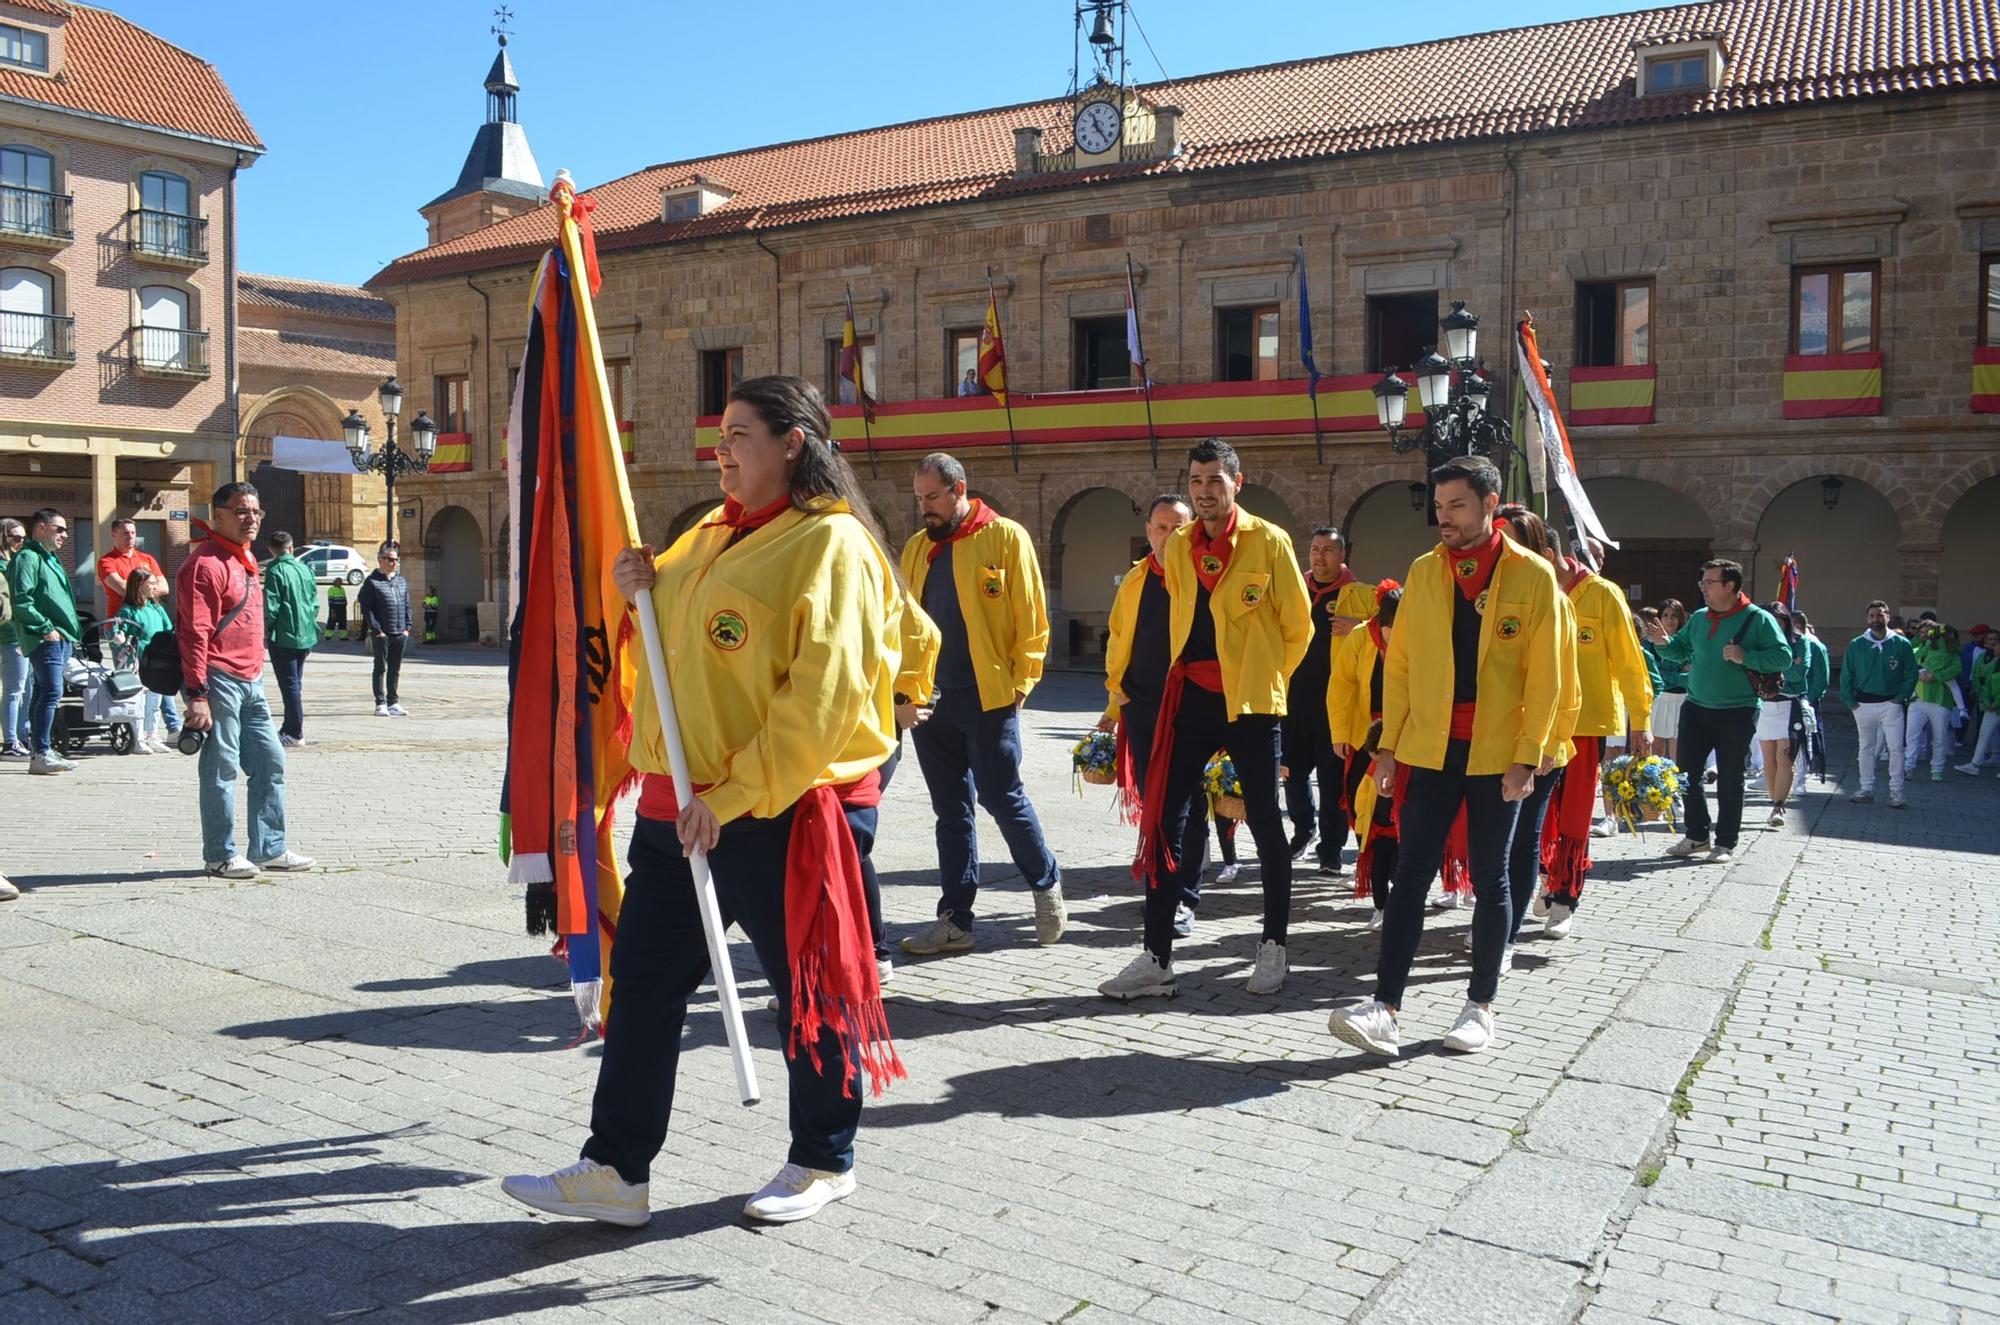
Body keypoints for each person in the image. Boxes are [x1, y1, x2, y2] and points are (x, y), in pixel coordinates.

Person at [500, 375, 904, 1229]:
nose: (720, 451)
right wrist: (633, 576)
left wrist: (737, 793)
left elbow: (823, 699)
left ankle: (824, 1155)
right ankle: (616, 1167)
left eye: (739, 435)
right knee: (643, 982)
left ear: (793, 442)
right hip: (675, 809)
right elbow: (659, 625)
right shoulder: (710, 532)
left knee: (809, 987)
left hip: (778, 806)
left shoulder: (831, 544)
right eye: (718, 435)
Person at [1328, 457, 1562, 1057]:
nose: (1445, 519)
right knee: (1410, 876)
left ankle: (1480, 1007)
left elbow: (1549, 678)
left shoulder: (1533, 577)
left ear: (1491, 503)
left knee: (1490, 877)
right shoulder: (1424, 573)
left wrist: (1527, 757)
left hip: (1496, 754)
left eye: (1457, 506)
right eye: (1439, 508)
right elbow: (1400, 669)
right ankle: (1385, 1008)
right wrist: (1387, 749)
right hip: (1428, 751)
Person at [1100, 437, 1312, 1000]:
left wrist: (1264, 678)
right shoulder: (1179, 546)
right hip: (1188, 700)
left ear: (1236, 483)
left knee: (1265, 823)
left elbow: (1299, 629)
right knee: (1165, 822)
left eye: (1215, 481)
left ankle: (1272, 948)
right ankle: (1156, 958)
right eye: (1197, 482)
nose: (1205, 491)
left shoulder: (1270, 541)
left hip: (1250, 705)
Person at [898, 453, 1065, 957]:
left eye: (932, 497)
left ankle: (1045, 883)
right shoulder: (915, 549)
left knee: (1002, 796)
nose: (924, 508)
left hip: (988, 699)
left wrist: (1019, 686)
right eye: (919, 498)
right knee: (950, 811)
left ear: (958, 489)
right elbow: (904, 624)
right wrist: (904, 692)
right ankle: (955, 918)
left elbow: (1032, 619)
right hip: (931, 703)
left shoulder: (1005, 537)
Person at [175, 482, 313, 878]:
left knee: (270, 761)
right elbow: (194, 632)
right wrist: (197, 693)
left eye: (255, 511)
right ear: (217, 514)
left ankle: (269, 847)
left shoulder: (244, 558)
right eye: (240, 510)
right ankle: (220, 853)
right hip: (218, 678)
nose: (250, 518)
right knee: (221, 768)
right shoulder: (206, 564)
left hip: (251, 678)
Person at [1100, 494, 1210, 935]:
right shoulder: (1135, 579)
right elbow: (1119, 636)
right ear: (1148, 532)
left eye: (1178, 527)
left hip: (1191, 706)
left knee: (1190, 804)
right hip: (1142, 707)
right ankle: (1161, 884)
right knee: (1154, 803)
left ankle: (1184, 897)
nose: (1169, 536)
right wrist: (1116, 698)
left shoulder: (1204, 577)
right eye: (1160, 527)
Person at [1537, 535, 1651, 937]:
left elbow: (1629, 660)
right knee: (1536, 814)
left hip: (1585, 727)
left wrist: (1641, 719)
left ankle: (1565, 897)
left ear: (1549, 555)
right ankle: (1545, 875)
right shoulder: (1525, 592)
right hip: (1534, 725)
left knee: (1573, 816)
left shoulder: (1603, 594)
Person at [1643, 560, 1791, 862]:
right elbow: (1680, 650)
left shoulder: (1758, 619)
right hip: (1696, 707)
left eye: (1709, 582)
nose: (1703, 588)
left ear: (1730, 586)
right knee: (1686, 774)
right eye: (1702, 582)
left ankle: (1725, 842)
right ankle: (1697, 836)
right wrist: (1663, 644)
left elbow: (1783, 657)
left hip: (1738, 710)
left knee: (1730, 777)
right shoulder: (1698, 618)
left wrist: (1745, 656)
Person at [1487, 506, 1579, 958]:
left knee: (1521, 841)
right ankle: (1494, 921)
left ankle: (1505, 935)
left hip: (1537, 746)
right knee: (1493, 844)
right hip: (1491, 742)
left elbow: (1564, 686)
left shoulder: (1554, 600)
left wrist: (1548, 744)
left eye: (1510, 541)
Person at [1283, 527, 1377, 873]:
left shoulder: (1361, 594)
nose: (1319, 557)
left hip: (1336, 707)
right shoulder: (1295, 589)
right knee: (1291, 773)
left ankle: (1332, 847)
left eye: (1328, 551)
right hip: (1292, 700)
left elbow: (1394, 628)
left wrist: (1360, 624)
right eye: (1315, 550)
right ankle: (1303, 829)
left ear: (1342, 557)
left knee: (1332, 779)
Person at [1326, 582, 1406, 932]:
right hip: (1366, 736)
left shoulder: (1418, 639)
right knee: (1365, 811)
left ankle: (1398, 891)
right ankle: (1377, 887)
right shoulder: (1360, 637)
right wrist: (1341, 734)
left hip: (1407, 737)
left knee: (1400, 817)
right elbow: (1341, 685)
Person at [8, 508, 81, 775]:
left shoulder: (49, 558)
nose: (64, 534)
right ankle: (41, 752)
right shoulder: (28, 558)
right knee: (51, 692)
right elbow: (21, 600)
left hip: (60, 638)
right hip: (45, 638)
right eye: (58, 528)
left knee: (42, 692)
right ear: (40, 528)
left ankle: (42, 749)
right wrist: (46, 627)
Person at [1841, 600, 1916, 806]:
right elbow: (1847, 674)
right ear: (1867, 618)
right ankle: (1866, 789)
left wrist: (1900, 697)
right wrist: (1850, 701)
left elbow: (1911, 674)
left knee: (1896, 748)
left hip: (1891, 704)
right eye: (1872, 616)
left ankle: (1897, 792)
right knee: (1866, 748)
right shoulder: (1857, 644)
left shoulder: (1901, 644)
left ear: (1888, 617)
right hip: (1863, 704)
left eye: (1880, 615)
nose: (1876, 619)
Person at [262, 531, 321, 746]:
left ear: (271, 550)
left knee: (289, 685)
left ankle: (295, 732)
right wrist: (309, 621)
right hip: (306, 634)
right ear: (291, 547)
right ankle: (288, 727)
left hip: (284, 636)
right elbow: (315, 602)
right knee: (295, 683)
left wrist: (267, 630)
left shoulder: (275, 570)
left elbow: (271, 605)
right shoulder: (305, 569)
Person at [112, 566, 174, 753]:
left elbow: (168, 629)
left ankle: (151, 734)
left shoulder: (156, 608)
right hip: (137, 661)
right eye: (151, 583)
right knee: (138, 700)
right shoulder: (127, 611)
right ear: (139, 585)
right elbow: (117, 632)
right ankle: (137, 737)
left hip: (157, 661)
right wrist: (118, 638)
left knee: (154, 701)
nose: (155, 586)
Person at [358, 542, 413, 717]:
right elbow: (366, 608)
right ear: (380, 560)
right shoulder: (372, 582)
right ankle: (380, 703)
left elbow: (407, 605)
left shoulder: (401, 581)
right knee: (380, 667)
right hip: (382, 633)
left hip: (399, 631)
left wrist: (407, 628)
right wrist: (377, 630)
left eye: (396, 560)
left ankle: (393, 702)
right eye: (389, 559)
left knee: (395, 668)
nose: (393, 563)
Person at [1903, 618, 1961, 783]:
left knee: (1939, 738)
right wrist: (1917, 672)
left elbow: (1956, 668)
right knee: (1911, 735)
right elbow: (1906, 664)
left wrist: (1936, 676)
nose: (1925, 635)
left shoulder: (1949, 650)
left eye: (1928, 632)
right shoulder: (1917, 649)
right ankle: (1908, 767)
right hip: (1917, 699)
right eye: (1921, 632)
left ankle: (1937, 769)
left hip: (1940, 700)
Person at [0, 516, 29, 757]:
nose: (20, 542)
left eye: (23, 538)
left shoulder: (16, 563)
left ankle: (22, 735)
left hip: (22, 634)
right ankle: (10, 741)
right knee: (14, 689)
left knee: (27, 688)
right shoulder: (4, 567)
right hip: (9, 635)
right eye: (15, 538)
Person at [95, 517, 162, 618]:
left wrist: (137, 588)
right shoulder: (106, 561)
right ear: (114, 534)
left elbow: (165, 587)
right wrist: (150, 586)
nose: (130, 536)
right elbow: (123, 588)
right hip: (120, 622)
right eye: (125, 533)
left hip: (148, 619)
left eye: (133, 533)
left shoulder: (148, 559)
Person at [1956, 627, 2000, 775]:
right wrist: (1987, 701)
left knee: (1988, 731)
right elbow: (1980, 679)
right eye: (1990, 640)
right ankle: (1976, 763)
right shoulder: (1984, 657)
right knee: (1985, 732)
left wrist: (1995, 703)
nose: (1993, 643)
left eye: (1996, 641)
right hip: (1989, 703)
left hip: (1996, 703)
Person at [326, 578, 348, 642]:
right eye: (338, 581)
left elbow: (344, 597)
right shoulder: (331, 589)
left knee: (343, 622)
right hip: (334, 608)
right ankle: (328, 635)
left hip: (342, 608)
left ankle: (343, 636)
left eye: (341, 582)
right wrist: (332, 610)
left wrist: (345, 603)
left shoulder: (342, 588)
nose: (340, 583)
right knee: (331, 622)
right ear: (335, 582)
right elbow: (330, 601)